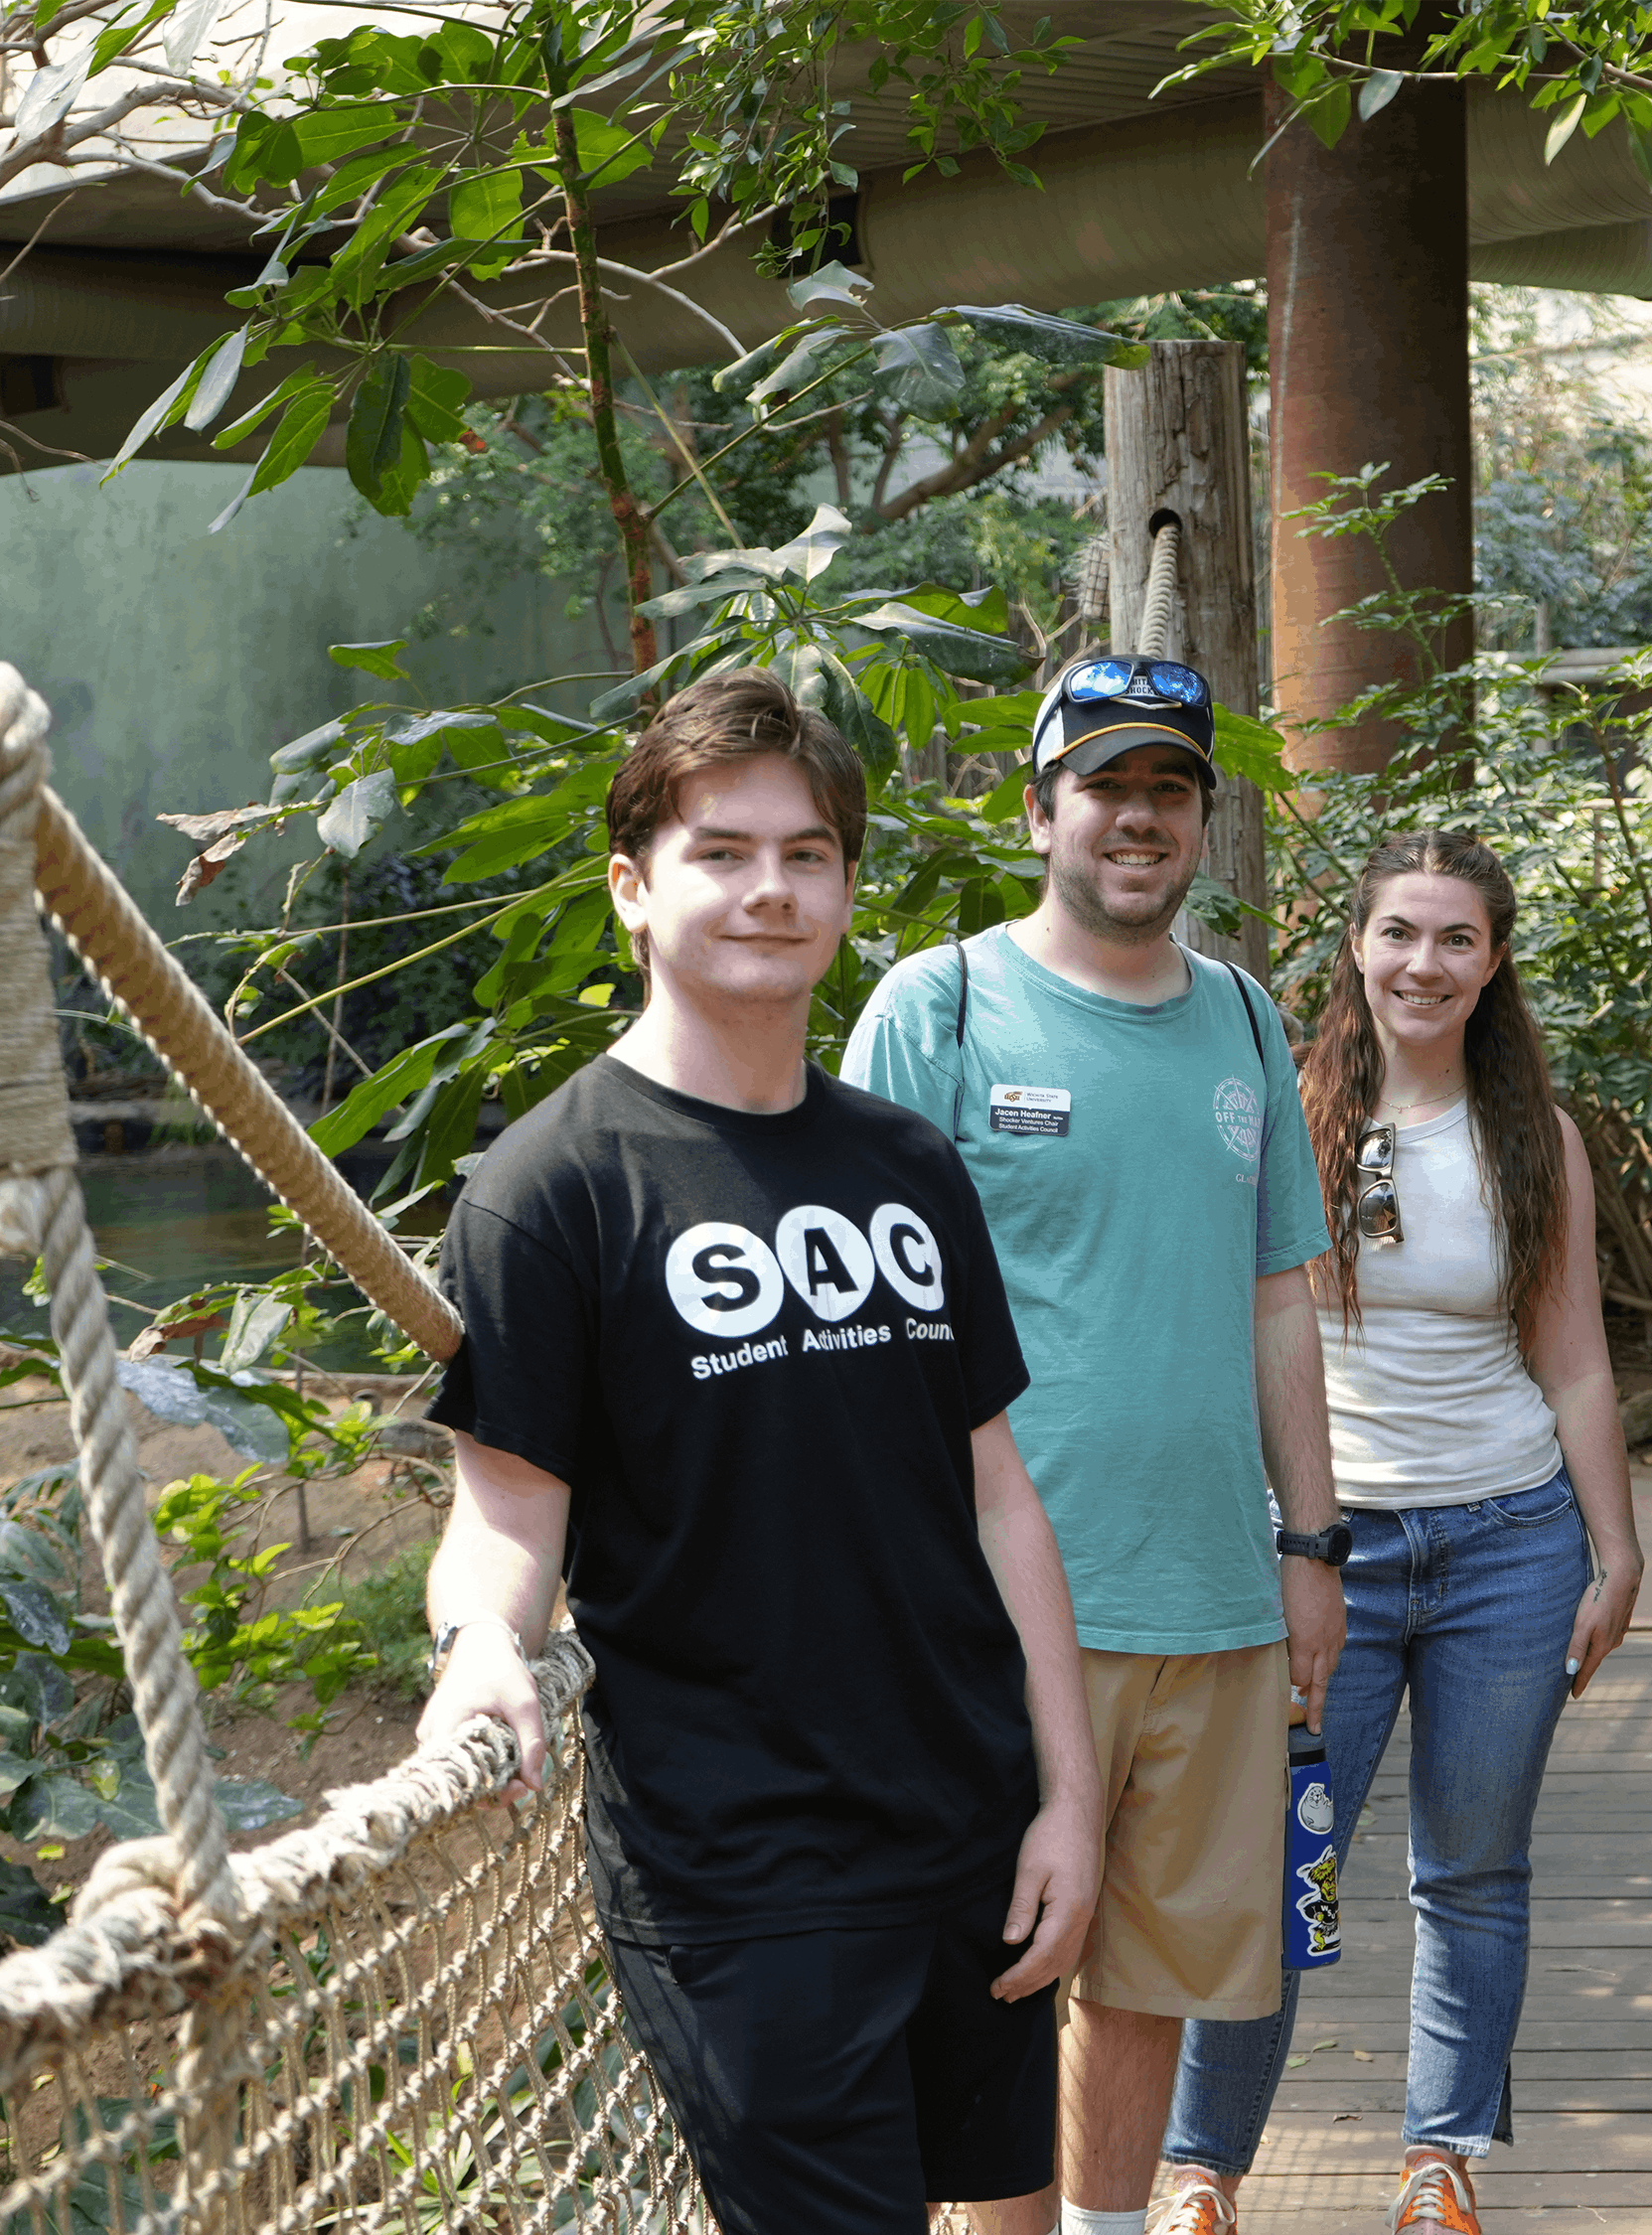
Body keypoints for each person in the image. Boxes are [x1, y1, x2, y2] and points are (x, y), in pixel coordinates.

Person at [418, 670, 1101, 2235]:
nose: (769, 888)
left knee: (1012, 2210)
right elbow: (507, 1517)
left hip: (969, 1833)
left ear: (850, 889)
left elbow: (1000, 1494)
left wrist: (1068, 1801)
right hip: (743, 1876)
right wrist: (478, 1654)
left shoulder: (910, 1167)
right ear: (632, 887)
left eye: (806, 853)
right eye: (721, 851)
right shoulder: (549, 1189)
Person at [840, 655, 1345, 2235]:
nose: (1138, 816)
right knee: (1005, 1978)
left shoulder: (1250, 1020)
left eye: (1169, 789)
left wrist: (1314, 1545)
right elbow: (861, 1326)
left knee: (1153, 1983)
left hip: (1213, 1593)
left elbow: (1279, 1301)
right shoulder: (943, 1007)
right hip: (1001, 1608)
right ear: (1041, 806)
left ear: (1204, 819)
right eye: (1107, 786)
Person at [1157, 828, 1646, 2235]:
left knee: (1474, 1864)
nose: (1424, 963)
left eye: (1456, 939)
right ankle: (1204, 2168)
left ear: (1493, 964)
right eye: (1399, 933)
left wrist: (1617, 1548)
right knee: (1273, 1857)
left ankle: (1441, 2157)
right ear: (1355, 949)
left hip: (1507, 1538)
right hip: (1327, 1547)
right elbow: (1234, 1335)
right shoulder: (1281, 1110)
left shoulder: (1531, 1137)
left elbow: (1573, 1361)